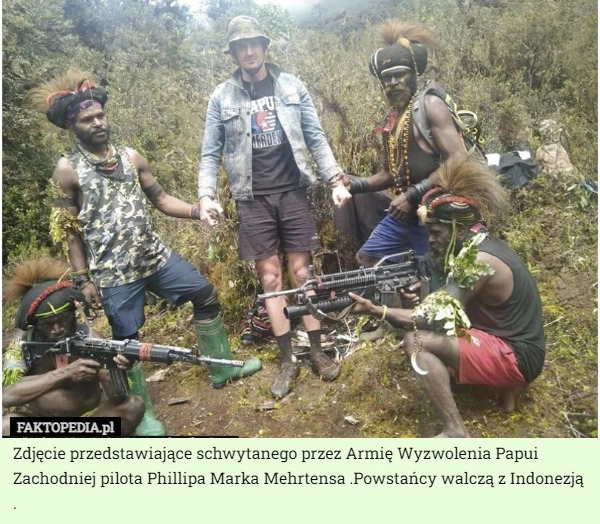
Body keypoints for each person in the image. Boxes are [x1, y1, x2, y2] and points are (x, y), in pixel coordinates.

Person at [31, 70, 262, 436]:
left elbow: (161, 199)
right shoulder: (67, 170)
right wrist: (82, 279)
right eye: (87, 120)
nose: (97, 123)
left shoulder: (131, 156)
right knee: (126, 340)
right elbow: (70, 231)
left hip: (154, 257)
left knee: (204, 294)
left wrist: (197, 210)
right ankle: (140, 412)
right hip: (113, 273)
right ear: (72, 125)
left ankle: (222, 369)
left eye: (100, 116)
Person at [197, 15, 352, 399]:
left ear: (265, 47)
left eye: (254, 44)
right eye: (240, 46)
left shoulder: (290, 85)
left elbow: (315, 137)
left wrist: (335, 180)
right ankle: (288, 360)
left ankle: (316, 349)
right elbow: (209, 153)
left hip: (292, 192)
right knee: (270, 280)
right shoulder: (222, 97)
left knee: (303, 273)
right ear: (233, 53)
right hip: (252, 199)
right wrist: (206, 196)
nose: (248, 51)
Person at [349, 158, 546, 438]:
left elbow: (427, 317)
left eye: (435, 232)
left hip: (518, 356)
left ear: (460, 230)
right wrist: (423, 292)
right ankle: (506, 389)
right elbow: (448, 303)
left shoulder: (478, 260)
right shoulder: (479, 245)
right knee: (432, 332)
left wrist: (377, 311)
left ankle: (455, 431)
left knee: (416, 341)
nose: (428, 240)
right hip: (517, 345)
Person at [342, 20, 468, 267]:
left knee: (434, 272)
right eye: (387, 78)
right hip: (404, 211)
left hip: (435, 211)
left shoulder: (429, 106)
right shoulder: (391, 120)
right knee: (368, 258)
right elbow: (391, 174)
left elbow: (458, 157)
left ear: (412, 75)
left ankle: (419, 291)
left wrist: (413, 195)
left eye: (399, 74)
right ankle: (404, 292)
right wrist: (352, 186)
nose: (392, 83)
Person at [2, 258, 145, 437]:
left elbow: (119, 398)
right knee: (5, 426)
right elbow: (6, 396)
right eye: (47, 324)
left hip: (88, 423)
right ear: (35, 324)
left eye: (63, 320)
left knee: (133, 406)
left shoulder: (92, 339)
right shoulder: (21, 345)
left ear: (74, 313)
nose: (57, 329)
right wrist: (66, 373)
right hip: (39, 426)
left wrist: (114, 372)